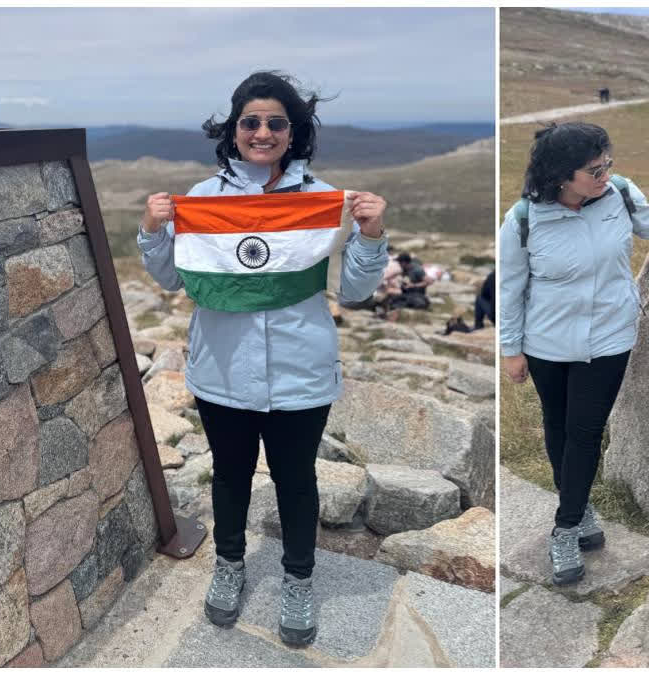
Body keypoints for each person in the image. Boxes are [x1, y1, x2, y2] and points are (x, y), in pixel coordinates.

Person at [138, 71, 388, 646]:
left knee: (296, 478)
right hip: (222, 372)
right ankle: (230, 564)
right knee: (229, 475)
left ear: (293, 131)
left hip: (300, 373)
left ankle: (298, 578)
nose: (263, 132)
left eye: (277, 122)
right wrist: (154, 230)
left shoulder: (321, 199)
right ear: (234, 128)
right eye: (251, 121)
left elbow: (353, 292)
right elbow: (175, 279)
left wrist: (371, 237)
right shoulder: (203, 199)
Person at [499, 122, 649, 586]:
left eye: (607, 164)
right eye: (594, 170)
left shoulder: (619, 193)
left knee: (585, 431)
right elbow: (511, 287)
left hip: (608, 339)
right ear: (561, 175)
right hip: (546, 344)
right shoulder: (522, 219)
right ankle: (580, 509)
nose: (605, 175)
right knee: (557, 427)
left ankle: (564, 527)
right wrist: (510, 350)